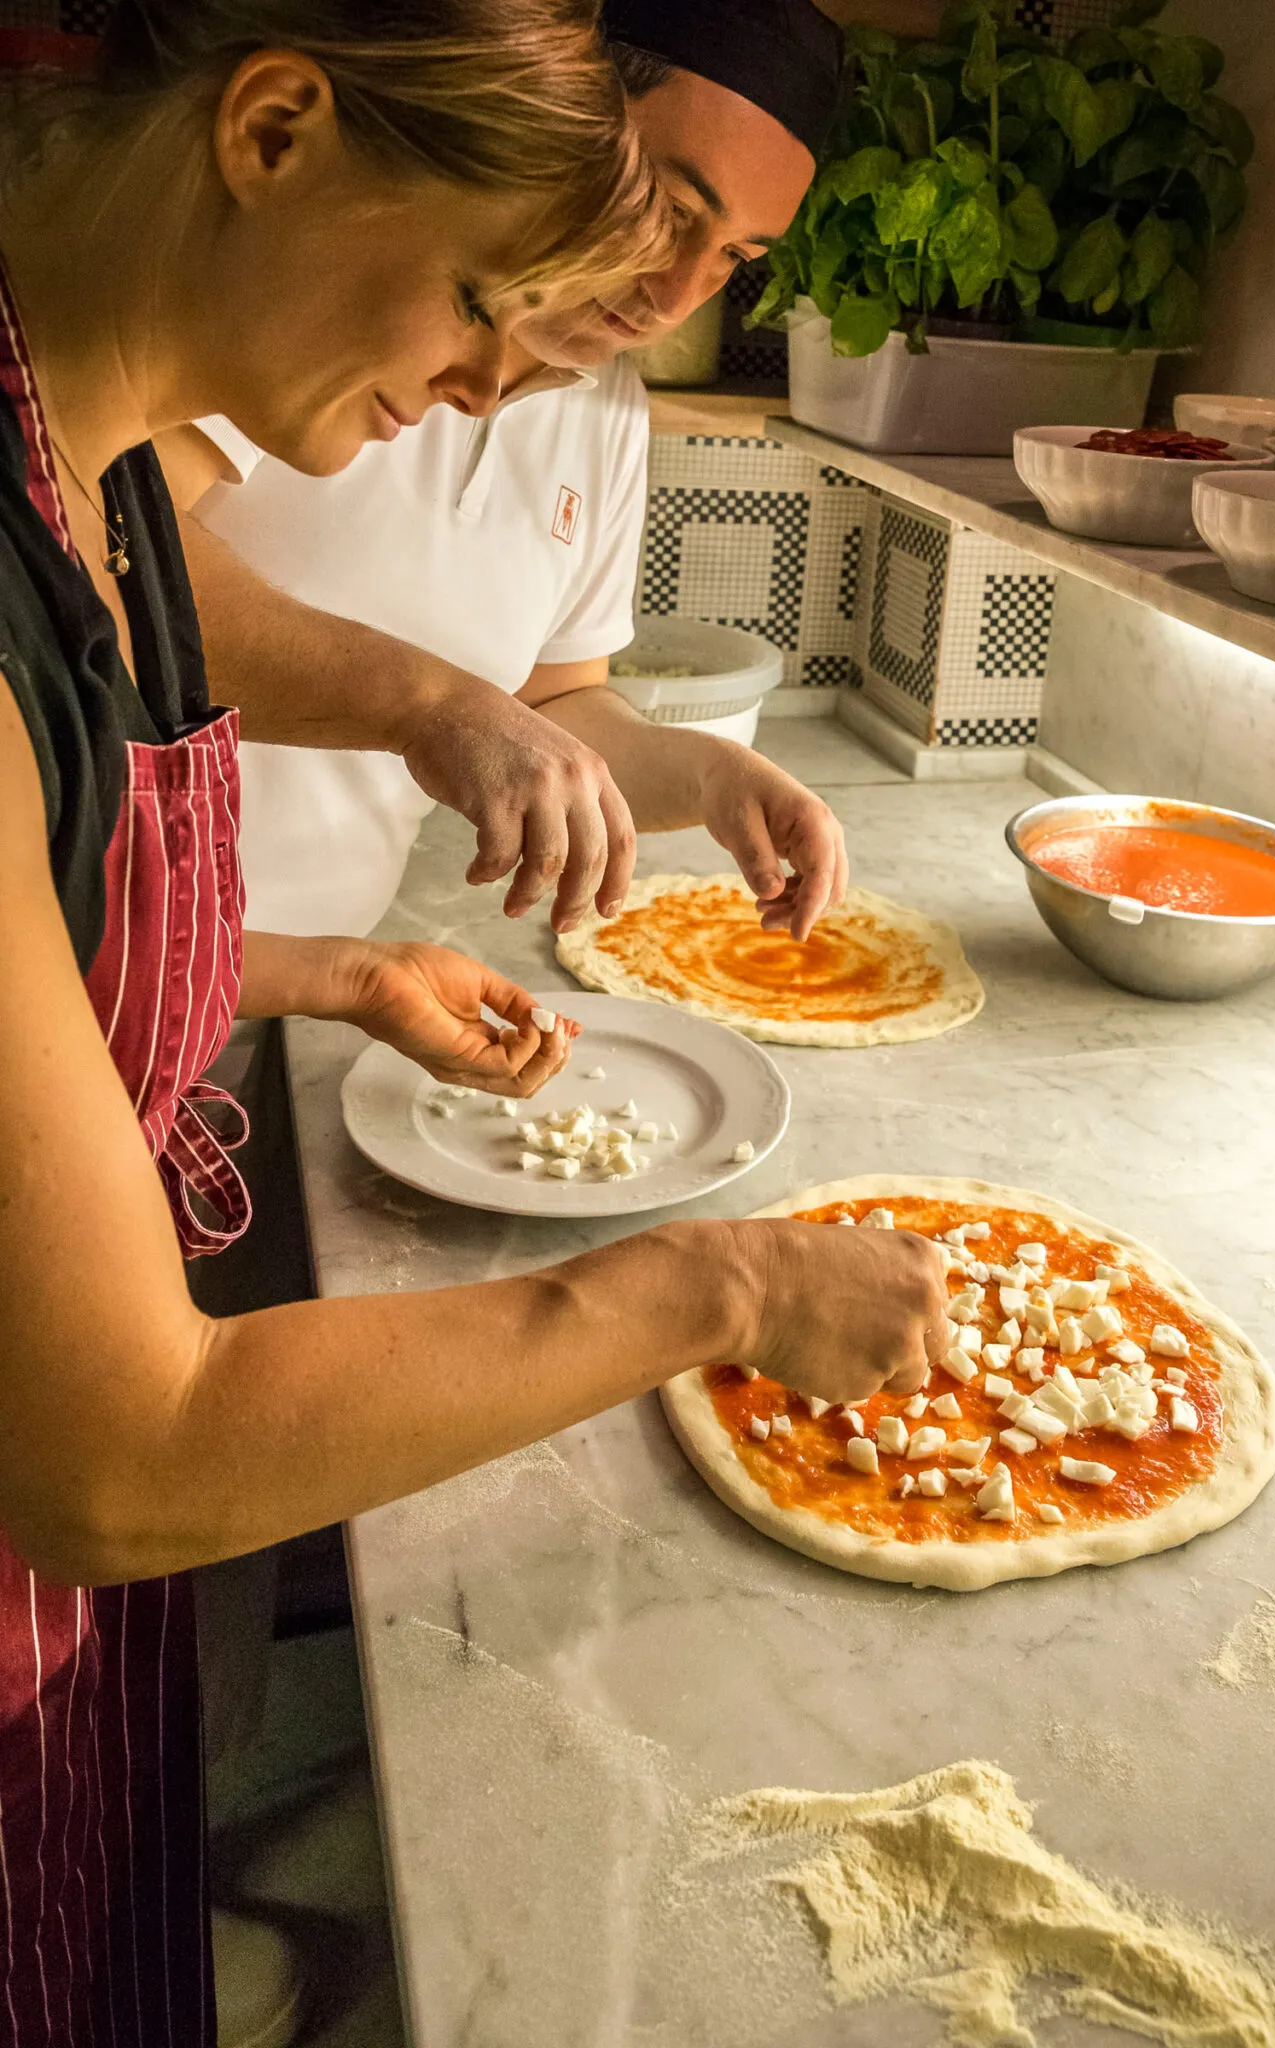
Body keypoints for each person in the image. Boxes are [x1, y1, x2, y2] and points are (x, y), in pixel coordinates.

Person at [0, 7, 950, 2043]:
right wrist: (711, 1283)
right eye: (476, 297)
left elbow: (61, 927)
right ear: (274, 123)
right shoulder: (117, 459)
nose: (498, 370)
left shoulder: (102, 494)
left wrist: (346, 970)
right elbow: (117, 1457)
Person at [161, 0, 858, 948]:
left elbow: (550, 700)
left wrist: (707, 777)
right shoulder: (330, 280)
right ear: (562, 113)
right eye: (667, 205)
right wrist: (428, 705)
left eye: (733, 255)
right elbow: (96, 560)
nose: (678, 295)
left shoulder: (605, 406)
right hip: (97, 965)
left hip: (278, 989)